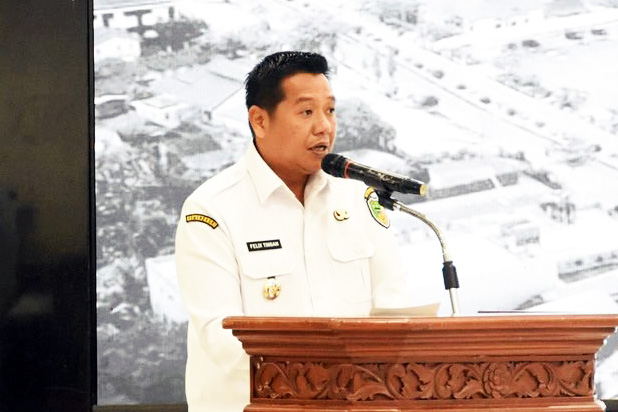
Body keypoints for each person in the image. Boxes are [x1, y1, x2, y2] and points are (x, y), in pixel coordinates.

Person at [175, 51, 412, 412]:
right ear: (260, 121)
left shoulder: (356, 198)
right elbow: (221, 340)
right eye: (306, 112)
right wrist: (327, 381)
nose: (324, 126)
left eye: (330, 110)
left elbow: (396, 314)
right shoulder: (211, 210)